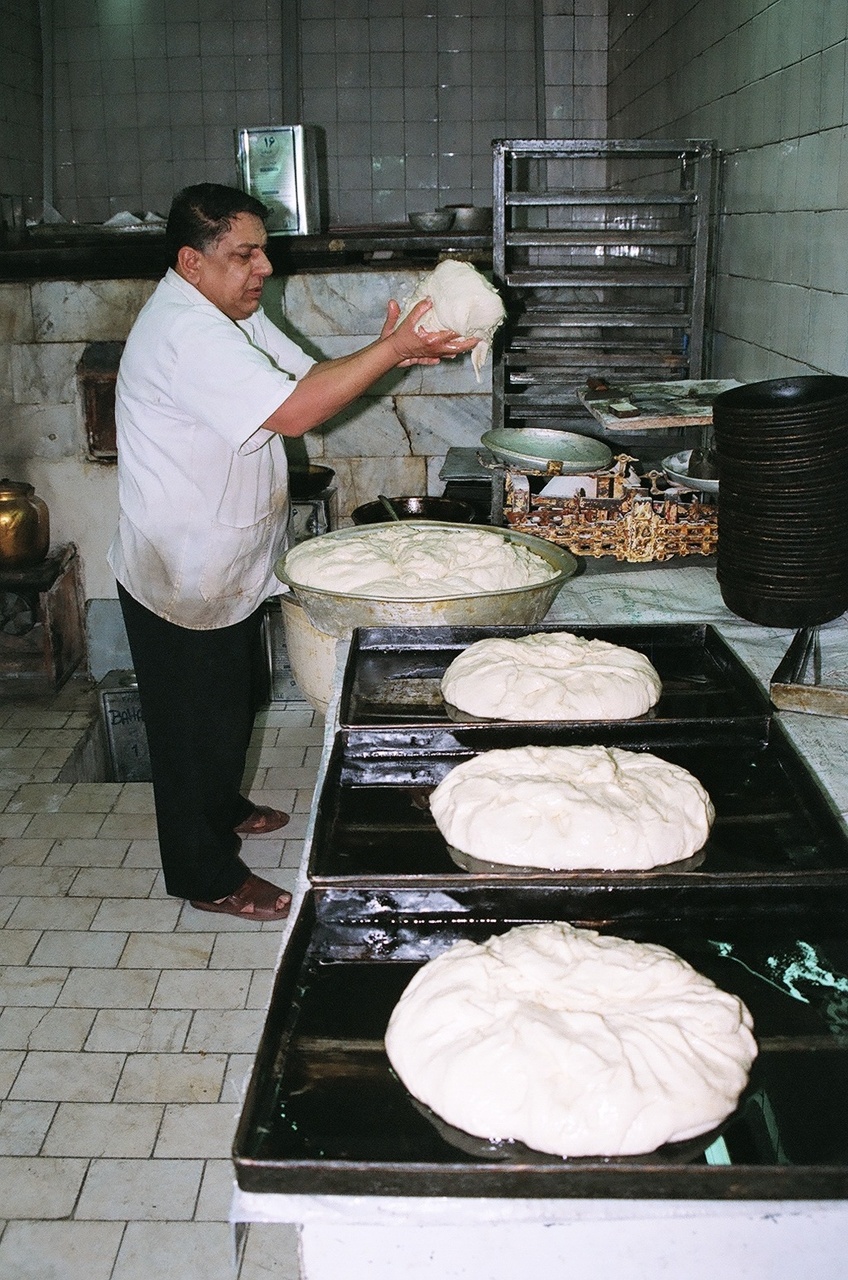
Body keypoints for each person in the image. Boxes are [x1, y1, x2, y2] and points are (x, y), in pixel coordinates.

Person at [108, 182, 478, 923]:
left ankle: (223, 803)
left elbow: (304, 379)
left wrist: (394, 352)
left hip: (225, 560)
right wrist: (395, 348)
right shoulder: (187, 333)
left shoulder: (229, 313)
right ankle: (204, 872)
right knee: (190, 727)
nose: (263, 268)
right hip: (180, 566)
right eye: (244, 254)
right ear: (191, 260)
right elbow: (297, 411)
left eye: (262, 251)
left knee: (236, 695)